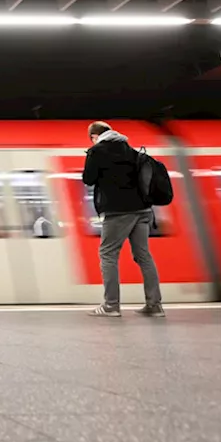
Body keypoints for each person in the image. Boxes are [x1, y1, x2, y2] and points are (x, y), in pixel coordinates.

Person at [82, 121, 164, 317]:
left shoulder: (97, 151)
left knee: (108, 254)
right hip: (143, 210)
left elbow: (88, 179)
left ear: (94, 136)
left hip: (118, 211)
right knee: (143, 255)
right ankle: (155, 305)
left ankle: (111, 305)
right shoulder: (131, 150)